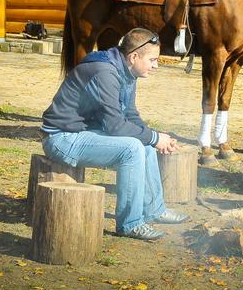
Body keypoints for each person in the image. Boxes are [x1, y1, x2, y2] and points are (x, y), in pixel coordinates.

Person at [40, 28, 188, 241]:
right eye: (153, 60)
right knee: (133, 148)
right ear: (134, 56)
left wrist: (154, 137)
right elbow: (115, 126)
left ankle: (154, 209)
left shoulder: (126, 70)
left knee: (144, 145)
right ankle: (130, 224)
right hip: (61, 138)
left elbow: (130, 114)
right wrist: (155, 138)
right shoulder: (104, 72)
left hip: (83, 133)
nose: (156, 65)